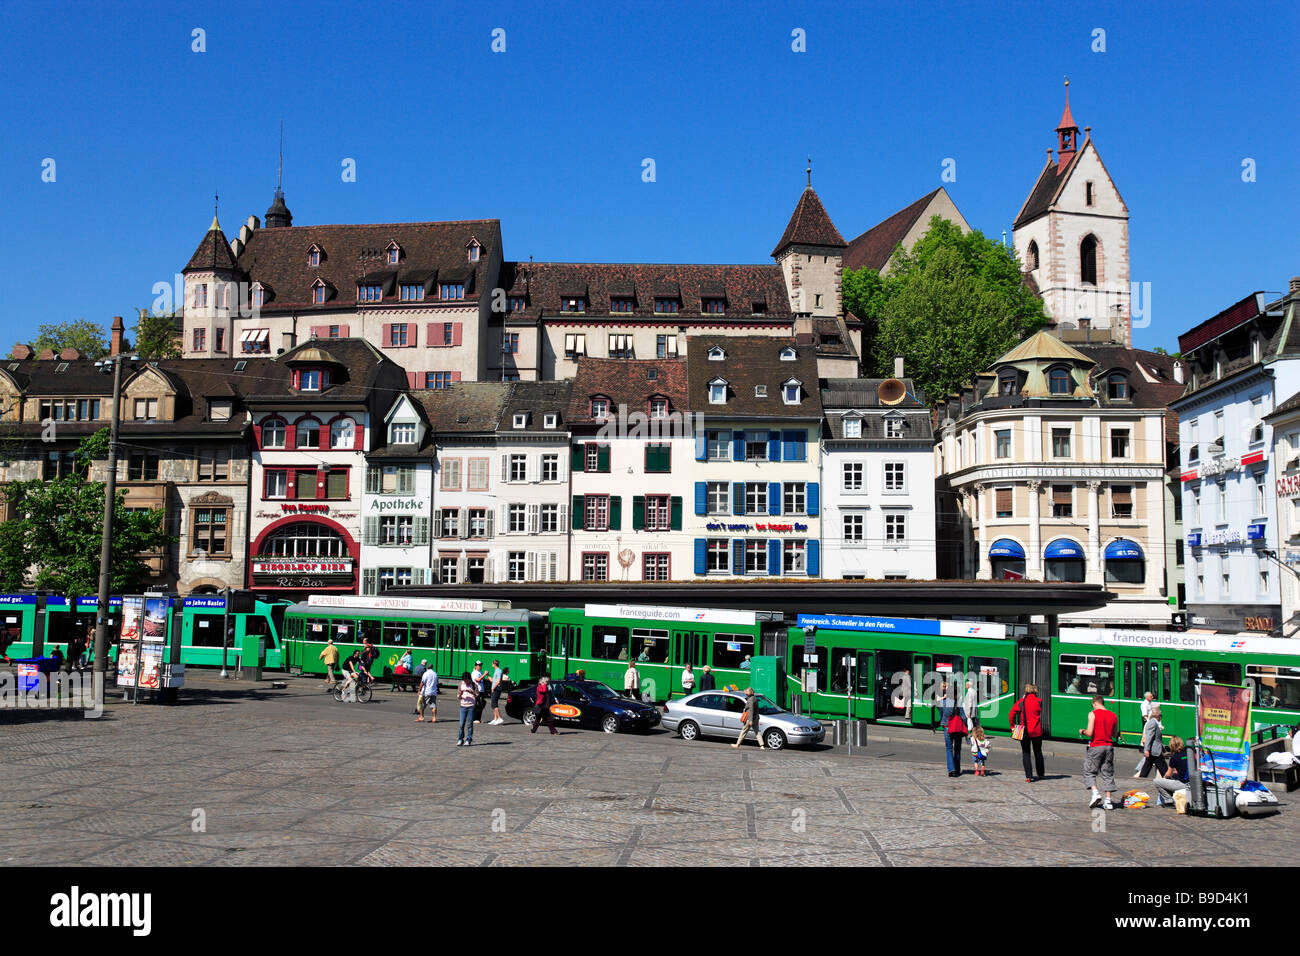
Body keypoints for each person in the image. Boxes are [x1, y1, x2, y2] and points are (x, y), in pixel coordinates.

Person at [1079, 695, 1118, 810]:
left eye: (1092, 705)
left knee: (1089, 771)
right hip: (1109, 746)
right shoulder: (1113, 715)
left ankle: (1095, 793)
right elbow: (1114, 735)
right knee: (1108, 773)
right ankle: (1108, 801)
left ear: (1095, 703)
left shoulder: (1093, 714)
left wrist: (1082, 731)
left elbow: (1090, 732)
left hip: (1096, 746)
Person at [1009, 683, 1046, 782]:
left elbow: (1011, 714)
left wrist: (1012, 726)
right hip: (1037, 731)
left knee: (1026, 753)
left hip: (1024, 731)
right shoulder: (1039, 701)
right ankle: (1041, 773)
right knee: (1038, 752)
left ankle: (1029, 776)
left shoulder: (1021, 702)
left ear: (1026, 691)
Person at [936, 684, 968, 777]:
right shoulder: (959, 703)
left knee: (949, 749)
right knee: (957, 749)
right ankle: (957, 770)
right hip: (958, 729)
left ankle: (951, 770)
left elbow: (941, 717)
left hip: (947, 728)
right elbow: (964, 718)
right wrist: (965, 726)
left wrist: (943, 724)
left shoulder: (943, 703)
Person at [1153, 736, 1190, 808]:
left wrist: (1163, 779)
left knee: (1156, 782)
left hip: (1182, 784)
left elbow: (1168, 774)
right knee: (1173, 778)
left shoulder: (1174, 757)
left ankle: (1168, 800)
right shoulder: (1187, 754)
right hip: (1191, 783)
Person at [1136, 705, 1168, 778]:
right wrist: (1146, 749)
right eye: (1161, 715)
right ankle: (1168, 780)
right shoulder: (1152, 723)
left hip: (1153, 750)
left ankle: (1140, 780)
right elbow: (1149, 737)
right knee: (1163, 767)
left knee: (1147, 767)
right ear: (1158, 716)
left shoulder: (1154, 722)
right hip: (1154, 750)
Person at [456, 672, 477, 746]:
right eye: (464, 680)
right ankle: (460, 739)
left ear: (469, 679)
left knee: (469, 724)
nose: (466, 682)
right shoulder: (461, 684)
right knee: (461, 724)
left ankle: (469, 739)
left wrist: (472, 692)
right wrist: (460, 694)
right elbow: (458, 697)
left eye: (467, 680)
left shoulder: (473, 684)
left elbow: (477, 695)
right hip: (463, 706)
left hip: (471, 706)